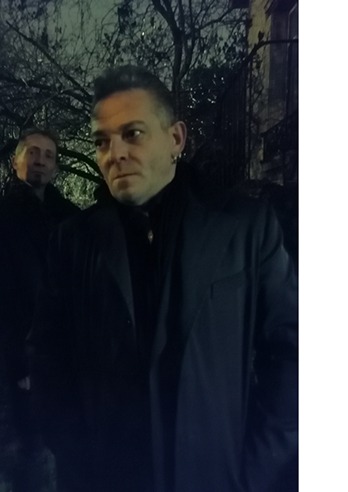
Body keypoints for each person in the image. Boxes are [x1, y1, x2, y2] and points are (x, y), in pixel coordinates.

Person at [28, 66, 298, 492]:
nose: (114, 153)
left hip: (217, 476)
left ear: (176, 139)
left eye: (132, 134)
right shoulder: (73, 241)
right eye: (102, 141)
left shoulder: (245, 228)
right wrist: (77, 456)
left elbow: (289, 350)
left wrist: (255, 471)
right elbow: (47, 357)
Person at [0, 128, 79, 492]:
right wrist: (20, 362)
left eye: (49, 155)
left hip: (72, 349)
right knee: (35, 445)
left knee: (72, 442)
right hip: (29, 350)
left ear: (56, 168)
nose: (40, 161)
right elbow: (0, 298)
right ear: (15, 161)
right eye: (32, 152)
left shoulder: (71, 217)